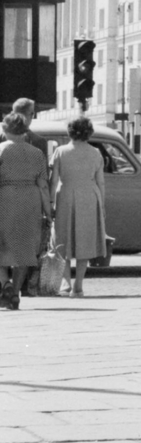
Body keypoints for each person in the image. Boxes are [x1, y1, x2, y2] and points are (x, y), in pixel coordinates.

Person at [51, 117, 108, 297]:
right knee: (85, 239)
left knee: (62, 239)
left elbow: (53, 181)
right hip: (90, 196)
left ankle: (67, 283)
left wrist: (51, 203)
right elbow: (101, 182)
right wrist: (102, 204)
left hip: (66, 194)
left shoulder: (60, 151)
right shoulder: (96, 153)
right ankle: (79, 286)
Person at [0, 112, 49, 310]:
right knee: (24, 247)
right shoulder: (36, 153)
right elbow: (43, 185)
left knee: (1, 245)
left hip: (5, 197)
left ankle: (6, 284)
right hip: (30, 199)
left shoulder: (1, 150)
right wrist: (48, 210)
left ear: (5, 129)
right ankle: (16, 293)